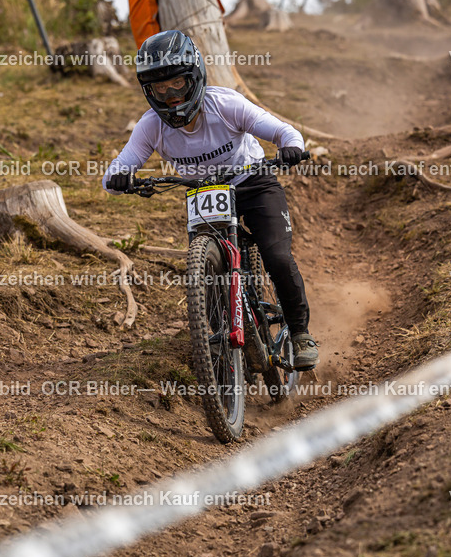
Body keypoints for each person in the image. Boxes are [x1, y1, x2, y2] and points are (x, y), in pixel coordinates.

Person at [102, 29, 318, 370]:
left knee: (277, 257)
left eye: (178, 84)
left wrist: (291, 147)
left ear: (195, 77)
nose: (171, 96)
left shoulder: (226, 105)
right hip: (203, 193)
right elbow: (115, 173)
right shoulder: (151, 126)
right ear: (149, 91)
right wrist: (120, 179)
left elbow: (284, 131)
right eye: (161, 88)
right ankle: (217, 338)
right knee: (206, 276)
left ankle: (301, 333)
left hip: (253, 183)